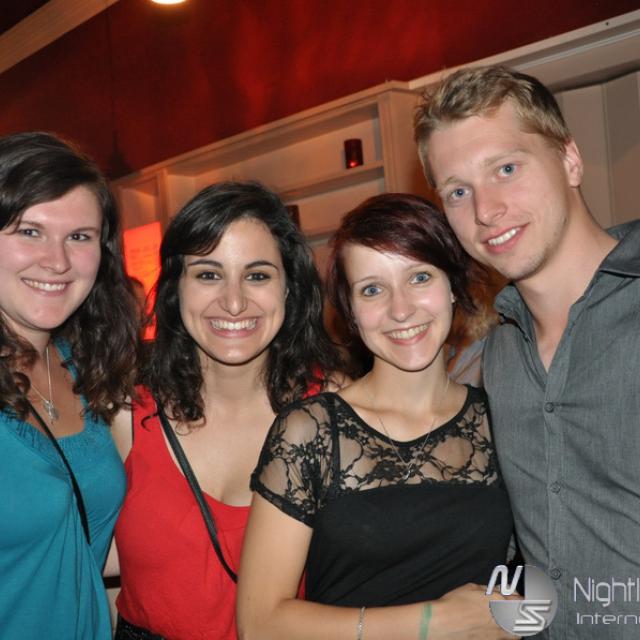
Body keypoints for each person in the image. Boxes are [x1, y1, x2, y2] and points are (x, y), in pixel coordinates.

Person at [414, 64, 640, 639]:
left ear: (570, 160)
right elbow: (533, 543)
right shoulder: (497, 356)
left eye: (507, 169)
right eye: (458, 191)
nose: (485, 210)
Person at [237, 193, 514, 640]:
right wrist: (432, 622)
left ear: (452, 285)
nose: (400, 309)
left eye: (419, 277)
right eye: (372, 289)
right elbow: (260, 625)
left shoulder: (500, 419)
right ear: (350, 310)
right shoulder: (310, 431)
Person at [111, 181, 343, 639]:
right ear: (177, 288)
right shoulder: (125, 415)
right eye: (208, 274)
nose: (234, 302)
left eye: (257, 276)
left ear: (290, 288)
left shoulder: (335, 410)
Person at [0, 131, 139, 639]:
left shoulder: (85, 372)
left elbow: (77, 548)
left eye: (79, 237)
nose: (57, 261)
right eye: (29, 231)